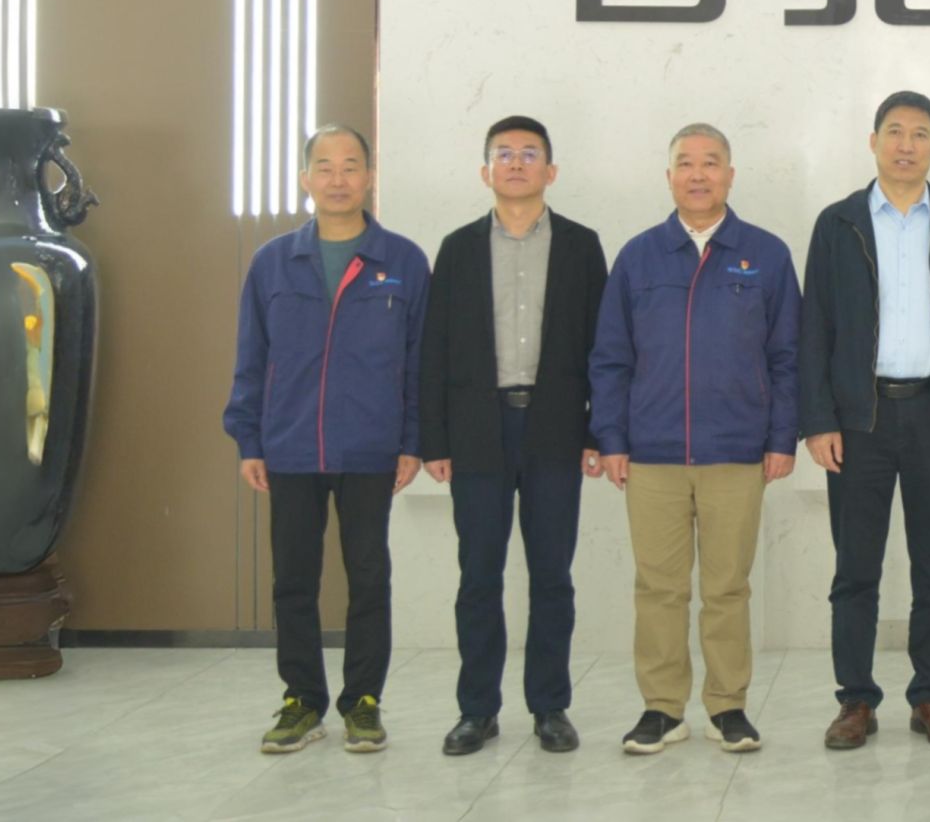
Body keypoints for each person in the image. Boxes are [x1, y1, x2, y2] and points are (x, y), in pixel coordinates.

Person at [590, 123, 799, 755]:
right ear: (669, 177)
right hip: (652, 453)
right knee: (659, 588)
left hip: (736, 450)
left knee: (727, 587)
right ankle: (661, 708)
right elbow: (611, 356)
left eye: (711, 163)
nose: (699, 174)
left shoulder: (766, 254)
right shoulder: (639, 256)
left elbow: (787, 356)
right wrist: (612, 437)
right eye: (686, 163)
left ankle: (727, 706)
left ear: (730, 175)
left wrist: (781, 437)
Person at [800, 90, 930, 751]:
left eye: (919, 133)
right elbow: (814, 326)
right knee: (855, 568)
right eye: (894, 131)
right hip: (859, 420)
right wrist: (819, 419)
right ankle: (855, 700)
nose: (905, 144)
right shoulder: (838, 223)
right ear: (873, 141)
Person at [222, 125, 428, 754]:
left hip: (371, 447)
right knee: (293, 580)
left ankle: (363, 701)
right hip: (290, 447)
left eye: (351, 166)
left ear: (370, 177)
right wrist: (249, 439)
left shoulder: (403, 261)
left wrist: (413, 440)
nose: (338, 179)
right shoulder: (272, 262)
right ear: (305, 179)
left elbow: (420, 362)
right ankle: (302, 700)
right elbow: (251, 357)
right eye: (325, 167)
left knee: (368, 577)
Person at [419, 115, 608, 756]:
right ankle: (477, 710)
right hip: (478, 430)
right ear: (486, 172)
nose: (517, 163)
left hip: (556, 427)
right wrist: (435, 440)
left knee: (552, 574)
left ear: (551, 171)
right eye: (505, 154)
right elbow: (434, 349)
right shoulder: (457, 249)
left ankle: (550, 706)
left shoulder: (582, 246)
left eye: (530, 154)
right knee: (479, 574)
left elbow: (603, 347)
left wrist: (598, 431)